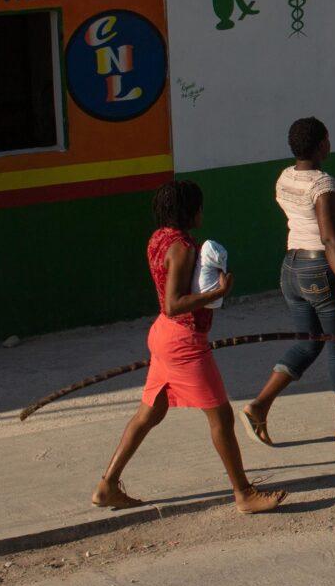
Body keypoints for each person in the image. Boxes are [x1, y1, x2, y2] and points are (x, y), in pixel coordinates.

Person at [93, 181, 285, 516]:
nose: (201, 212)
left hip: (164, 336)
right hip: (184, 341)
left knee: (150, 413)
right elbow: (173, 304)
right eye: (199, 206)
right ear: (189, 211)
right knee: (222, 417)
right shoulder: (182, 247)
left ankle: (108, 485)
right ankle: (244, 494)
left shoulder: (158, 238)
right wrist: (217, 292)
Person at [244, 118, 335, 447]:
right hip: (323, 271)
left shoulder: (285, 178)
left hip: (292, 268)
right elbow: (330, 239)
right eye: (327, 139)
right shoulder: (323, 186)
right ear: (321, 145)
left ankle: (259, 406)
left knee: (309, 342)